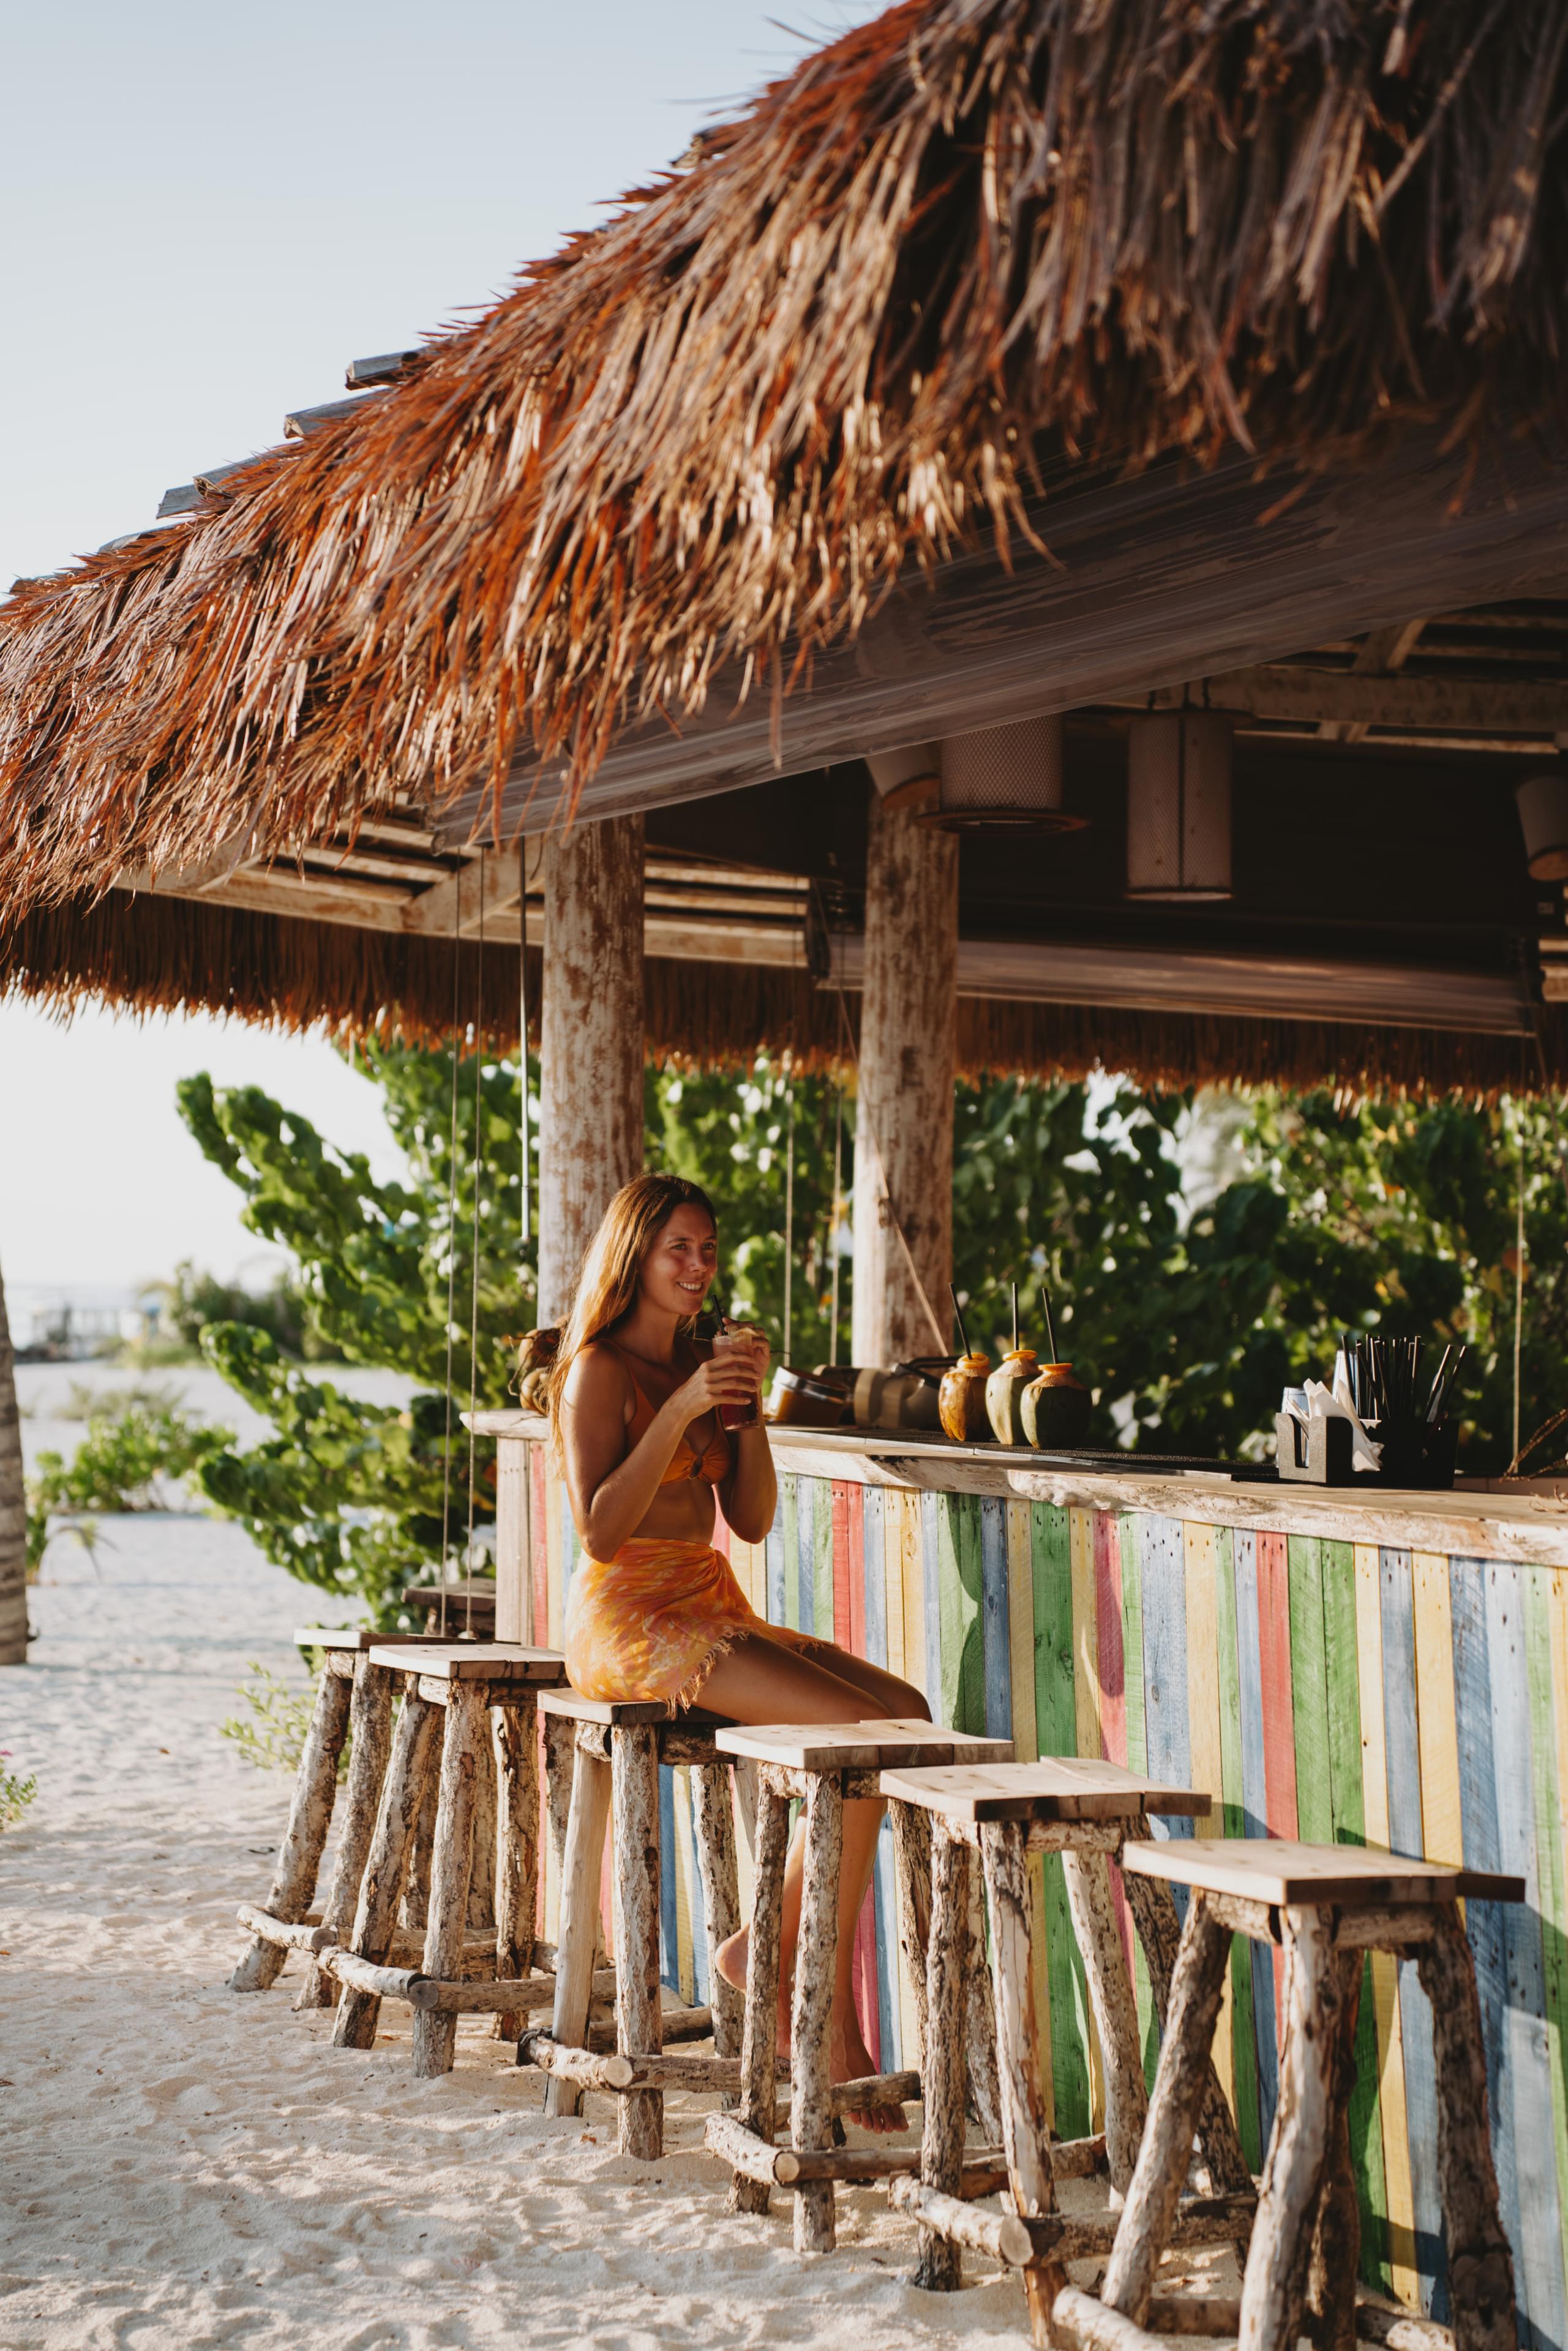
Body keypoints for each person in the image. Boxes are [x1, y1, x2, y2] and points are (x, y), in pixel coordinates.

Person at [551, 1171, 926, 2131]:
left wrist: (742, 1411)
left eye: (708, 1249)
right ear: (634, 1256)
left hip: (708, 1597)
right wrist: (677, 1411)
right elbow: (599, 1531)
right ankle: (822, 1998)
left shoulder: (703, 1363)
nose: (697, 1265)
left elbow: (750, 1520)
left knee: (907, 1715)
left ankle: (769, 1941)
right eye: (678, 1247)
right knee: (855, 1726)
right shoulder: (597, 1369)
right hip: (628, 1616)